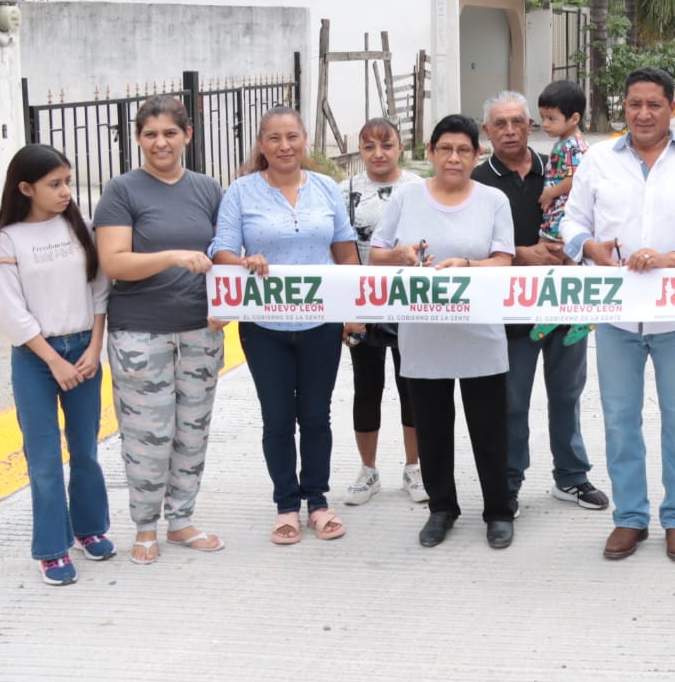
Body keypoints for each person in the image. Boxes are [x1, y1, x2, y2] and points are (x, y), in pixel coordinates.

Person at [563, 67, 675, 562]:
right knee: (619, 421)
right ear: (624, 107)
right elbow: (572, 221)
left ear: (671, 107)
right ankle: (629, 517)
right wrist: (589, 246)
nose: (642, 113)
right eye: (634, 104)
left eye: (653, 104)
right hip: (615, 318)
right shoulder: (597, 160)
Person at [210, 106, 360, 546]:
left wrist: (352, 313)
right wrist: (243, 261)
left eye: (292, 137)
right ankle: (286, 506)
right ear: (261, 144)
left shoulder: (327, 189)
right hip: (264, 326)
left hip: (321, 323)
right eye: (274, 138)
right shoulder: (240, 192)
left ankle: (318, 501)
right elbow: (221, 251)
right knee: (277, 419)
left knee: (316, 416)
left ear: (304, 140)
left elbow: (345, 250)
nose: (284, 146)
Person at [371, 114, 518, 549]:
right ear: (431, 153)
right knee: (432, 427)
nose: (454, 158)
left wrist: (468, 266)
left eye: (464, 150)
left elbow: (504, 261)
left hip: (480, 334)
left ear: (477, 155)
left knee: (489, 428)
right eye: (445, 149)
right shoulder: (407, 198)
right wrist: (400, 253)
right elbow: (377, 254)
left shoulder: (493, 200)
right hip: (423, 335)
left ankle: (497, 510)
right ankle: (442, 508)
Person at [93, 95, 227, 564]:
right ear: (138, 139)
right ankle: (145, 526)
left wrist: (231, 299)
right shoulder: (122, 191)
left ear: (187, 135)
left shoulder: (208, 189)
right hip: (139, 333)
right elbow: (113, 262)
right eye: (150, 134)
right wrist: (172, 256)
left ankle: (181, 520)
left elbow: (225, 254)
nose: (160, 142)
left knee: (192, 431)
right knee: (147, 434)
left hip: (199, 330)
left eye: (170, 132)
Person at [473, 91, 609, 520]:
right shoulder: (479, 181)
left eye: (518, 122)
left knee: (567, 394)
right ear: (487, 132)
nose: (511, 131)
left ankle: (570, 475)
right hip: (510, 312)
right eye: (501, 124)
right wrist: (521, 254)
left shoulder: (560, 167)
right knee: (511, 401)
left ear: (532, 124)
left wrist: (579, 249)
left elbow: (593, 216)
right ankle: (509, 483)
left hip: (564, 303)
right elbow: (469, 243)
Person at [0, 145, 113, 585]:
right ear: (26, 188)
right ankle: (51, 548)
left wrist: (94, 347)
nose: (66, 192)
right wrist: (54, 360)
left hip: (83, 350)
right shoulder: (8, 239)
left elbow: (99, 291)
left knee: (85, 449)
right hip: (36, 359)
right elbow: (11, 312)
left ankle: (89, 528)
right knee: (43, 458)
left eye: (67, 181)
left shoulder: (77, 226)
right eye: (55, 184)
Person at [339, 117, 425, 506]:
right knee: (366, 388)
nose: (378, 154)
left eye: (386, 145)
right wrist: (348, 308)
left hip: (409, 302)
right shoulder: (345, 191)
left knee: (413, 389)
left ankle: (415, 468)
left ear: (400, 147)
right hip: (363, 303)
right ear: (360, 150)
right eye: (369, 146)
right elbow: (339, 251)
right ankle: (368, 470)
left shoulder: (419, 189)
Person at [531, 80, 592, 347]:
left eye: (551, 118)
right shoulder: (564, 142)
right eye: (543, 117)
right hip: (557, 212)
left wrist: (550, 193)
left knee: (550, 257)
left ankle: (562, 313)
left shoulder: (573, 146)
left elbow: (577, 177)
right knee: (564, 261)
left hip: (563, 214)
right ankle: (566, 312)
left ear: (574, 118)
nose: (545, 124)